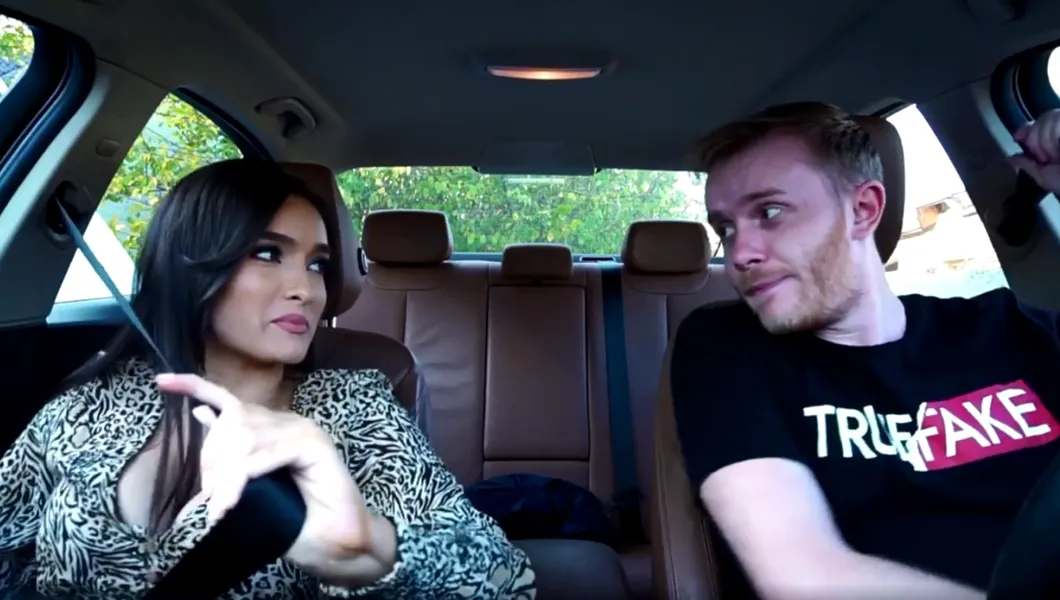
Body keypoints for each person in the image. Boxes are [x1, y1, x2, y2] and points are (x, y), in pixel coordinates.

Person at [0, 159, 536, 599]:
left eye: (318, 265)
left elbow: (501, 577)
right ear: (191, 263)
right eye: (267, 253)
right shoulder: (93, 402)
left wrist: (371, 552)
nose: (306, 288)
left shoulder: (355, 408)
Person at [671, 102, 1060, 600]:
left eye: (769, 212)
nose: (739, 253)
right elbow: (803, 577)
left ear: (864, 209)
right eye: (726, 228)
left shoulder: (1012, 328)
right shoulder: (728, 350)